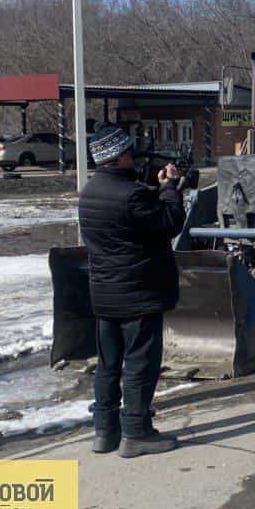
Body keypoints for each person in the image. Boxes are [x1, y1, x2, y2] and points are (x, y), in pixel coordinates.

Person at [79, 125, 186, 458]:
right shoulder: (132, 195)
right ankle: (137, 433)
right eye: (129, 153)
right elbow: (169, 223)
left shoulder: (90, 192)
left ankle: (105, 431)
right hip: (138, 295)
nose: (133, 159)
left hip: (105, 295)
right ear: (118, 157)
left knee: (108, 365)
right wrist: (169, 189)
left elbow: (132, 222)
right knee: (140, 364)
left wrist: (152, 189)